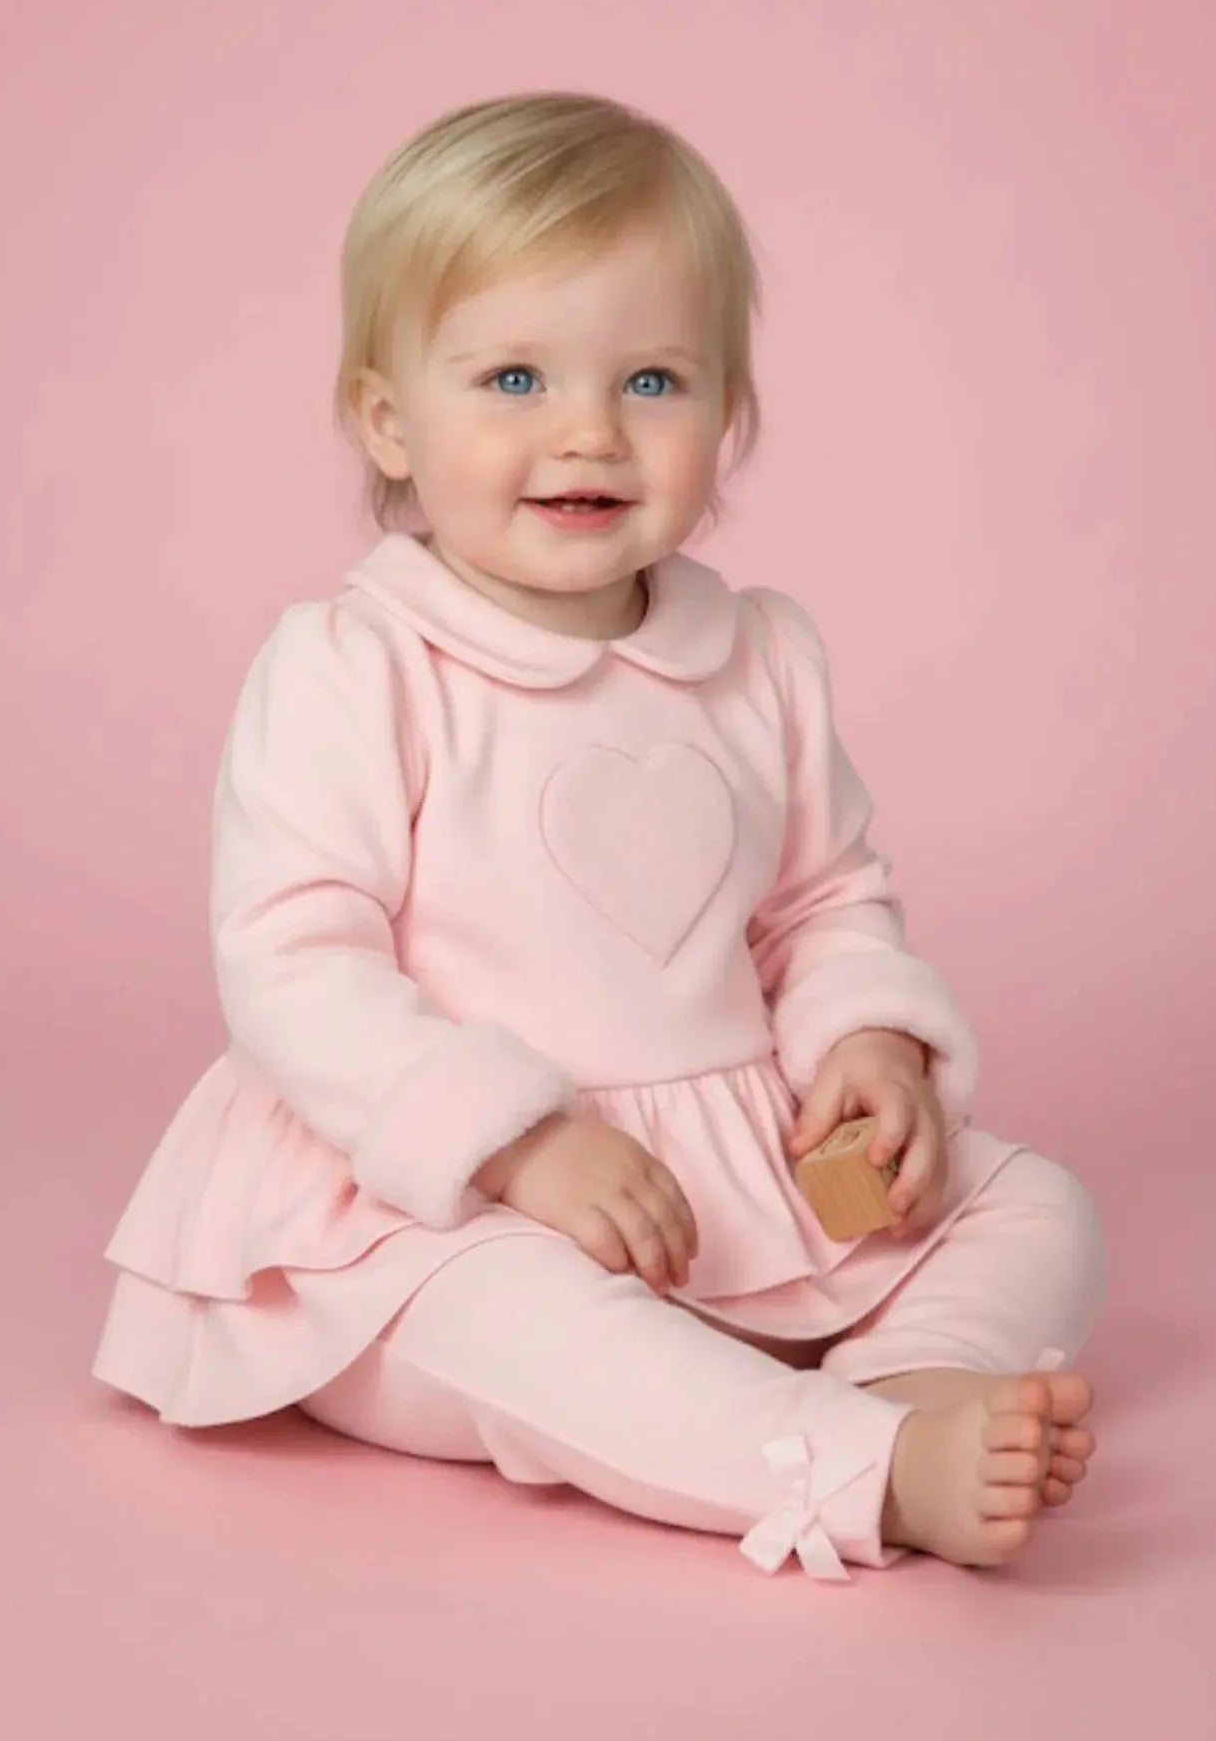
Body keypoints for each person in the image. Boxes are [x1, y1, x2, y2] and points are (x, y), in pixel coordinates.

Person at [93, 91, 1106, 1581]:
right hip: (421, 1204)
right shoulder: (356, 663)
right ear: (387, 418)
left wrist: (867, 1045)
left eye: (650, 379)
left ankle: (910, 1379)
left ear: (727, 418)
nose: (587, 431)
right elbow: (294, 963)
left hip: (723, 1168)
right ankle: (853, 1470)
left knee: (1031, 1199)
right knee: (517, 1325)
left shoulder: (755, 652)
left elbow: (817, 899)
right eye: (511, 376)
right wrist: (513, 1143)